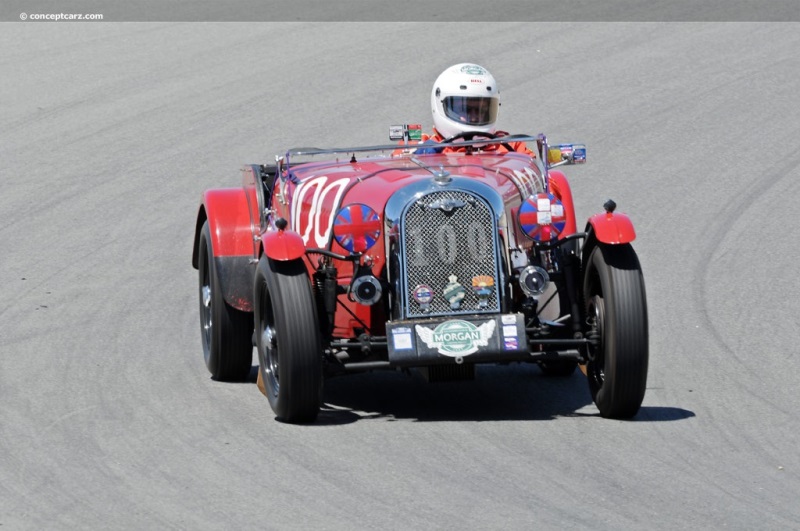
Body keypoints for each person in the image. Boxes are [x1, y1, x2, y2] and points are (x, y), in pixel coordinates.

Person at [408, 63, 533, 156]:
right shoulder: (421, 146)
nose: (473, 116)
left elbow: (540, 180)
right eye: (465, 109)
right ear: (441, 105)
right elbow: (396, 179)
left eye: (481, 110)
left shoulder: (511, 147)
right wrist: (417, 160)